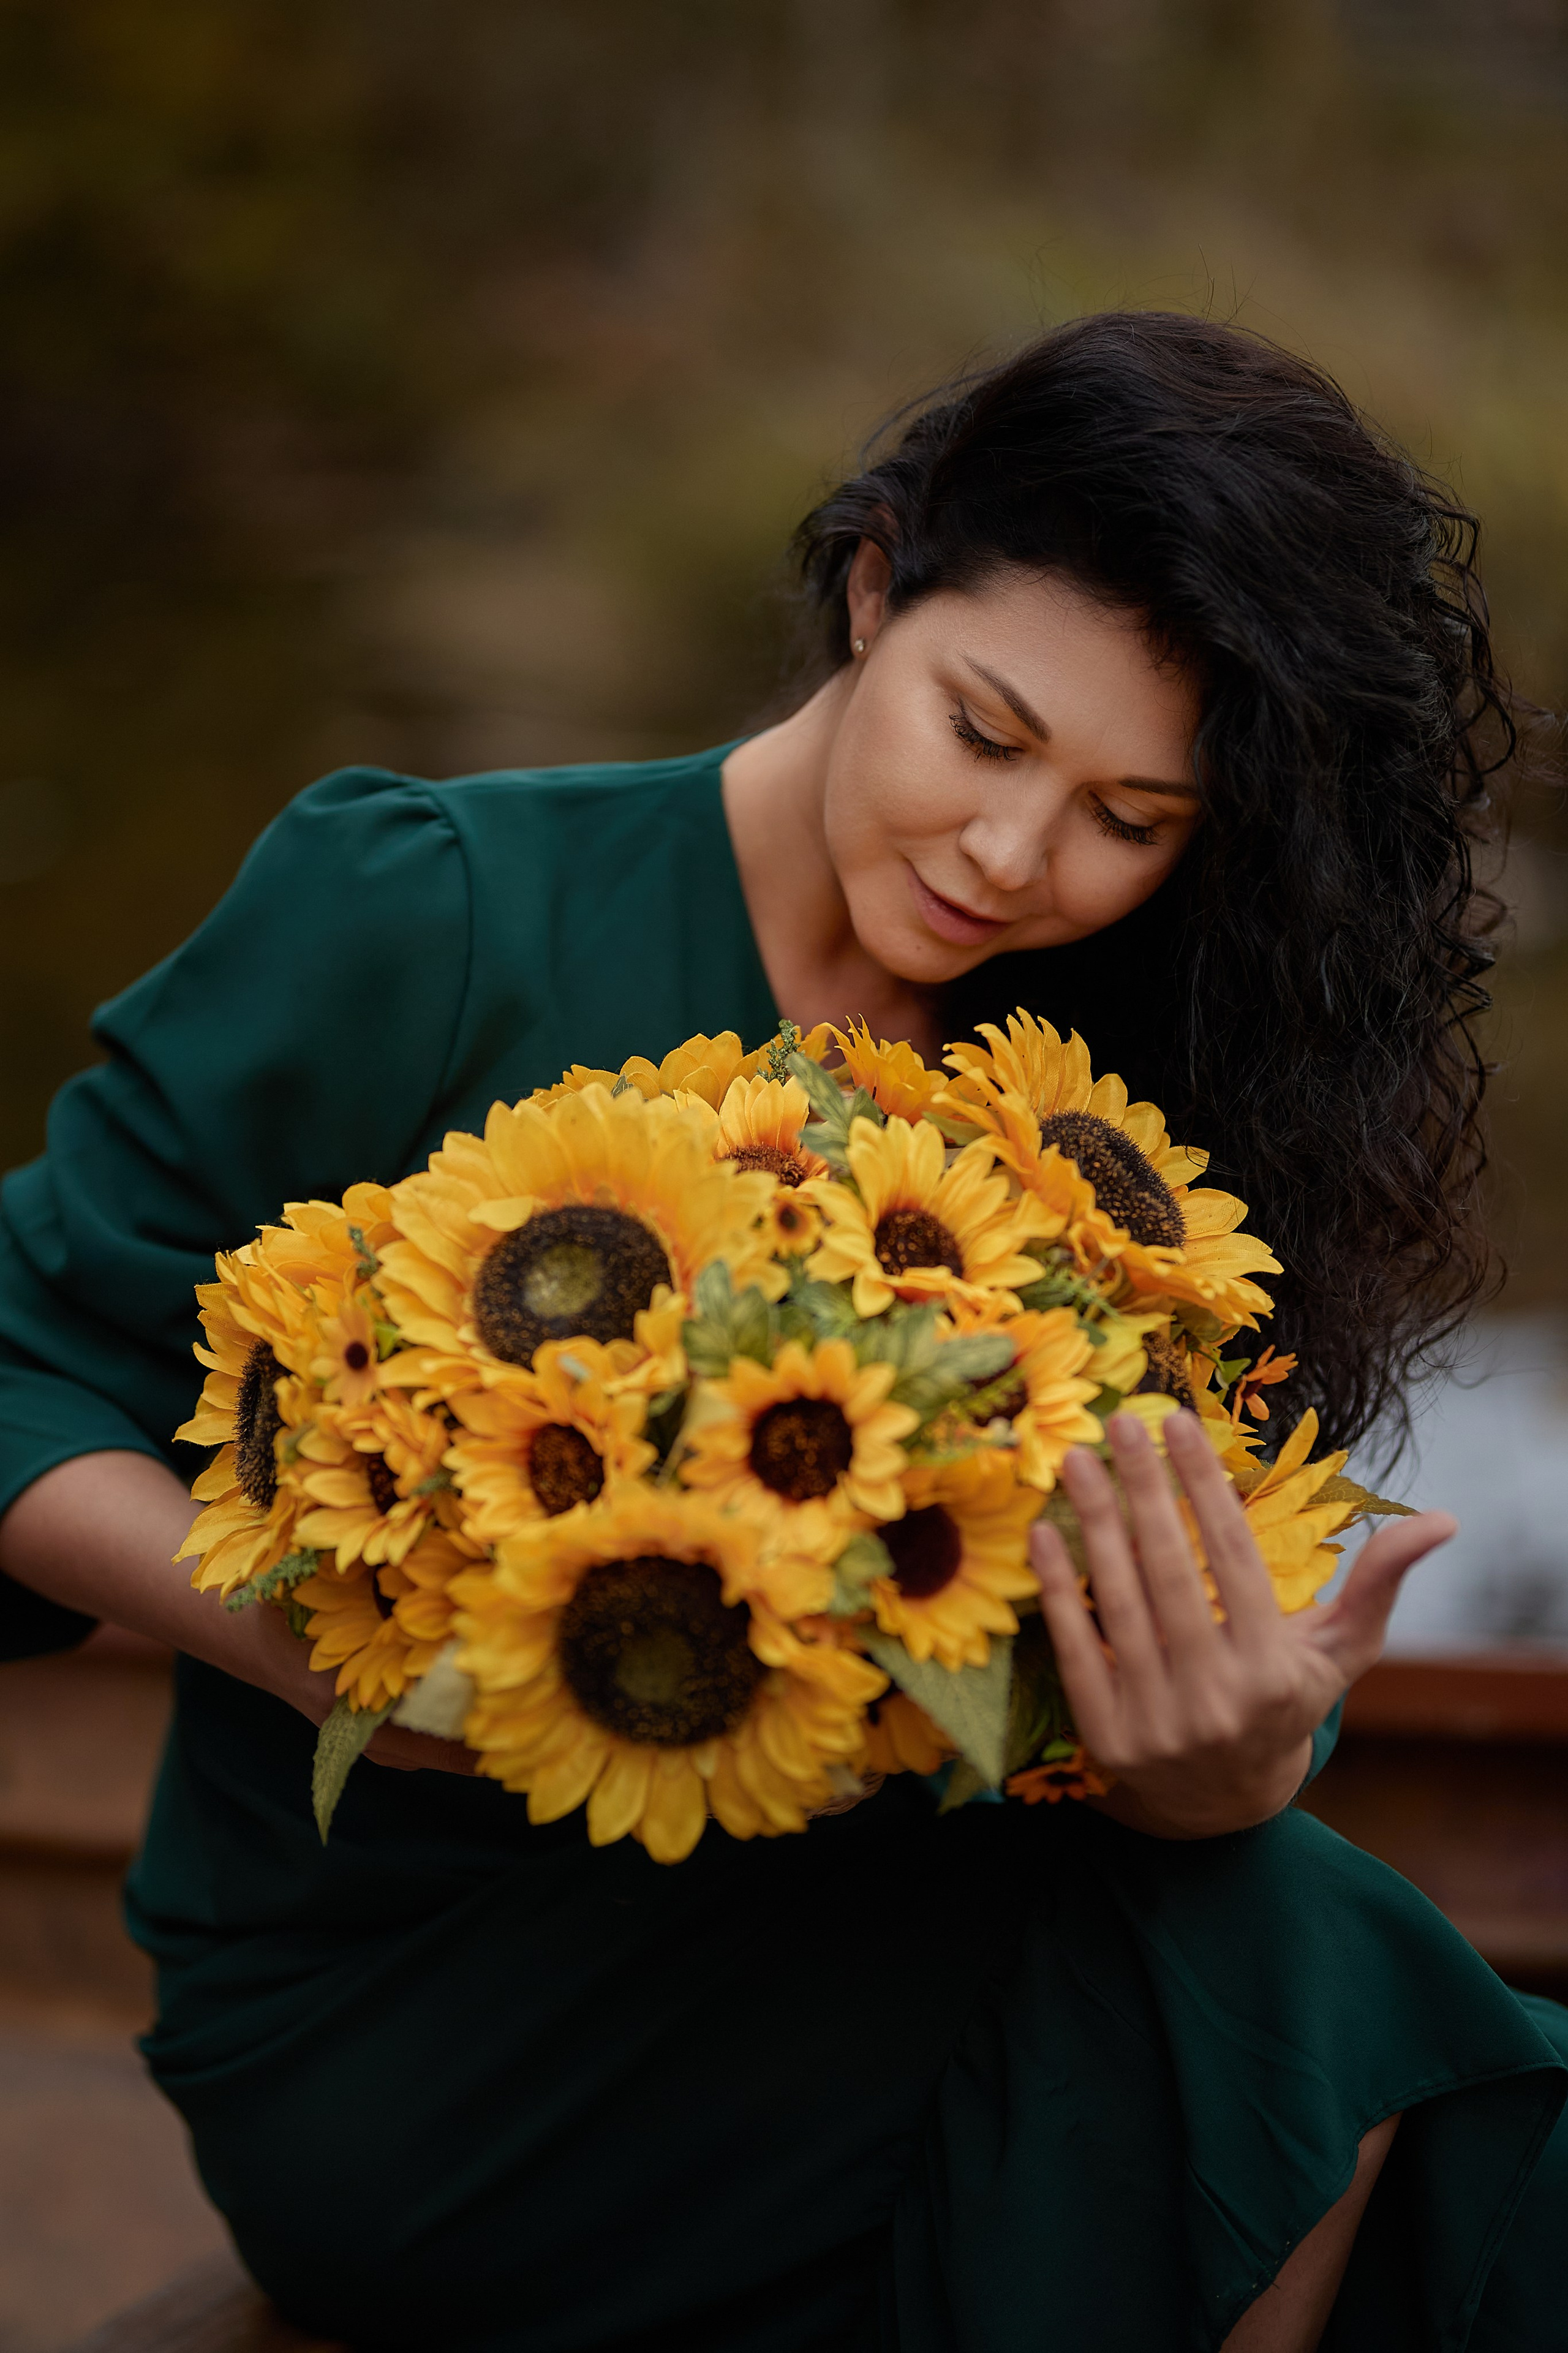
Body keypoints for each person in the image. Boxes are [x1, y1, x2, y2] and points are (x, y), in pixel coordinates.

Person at [0, 312, 1561, 2352]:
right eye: (984, 732)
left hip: (895, 1914)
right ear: (874, 583)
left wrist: (1231, 1751)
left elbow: (1132, 1664)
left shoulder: (1120, 1094)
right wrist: (360, 1653)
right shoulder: (428, 906)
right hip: (436, 1994)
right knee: (1306, 1995)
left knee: (1404, 2058)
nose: (1014, 858)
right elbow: (29, 1383)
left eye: (1132, 816)